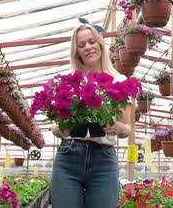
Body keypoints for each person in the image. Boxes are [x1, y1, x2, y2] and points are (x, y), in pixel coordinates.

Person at [50, 24, 132, 208]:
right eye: (81, 45)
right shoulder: (68, 81)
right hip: (68, 156)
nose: (88, 47)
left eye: (91, 41)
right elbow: (55, 127)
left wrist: (118, 128)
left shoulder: (120, 81)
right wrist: (61, 128)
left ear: (100, 44)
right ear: (77, 51)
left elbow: (127, 129)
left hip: (103, 158)